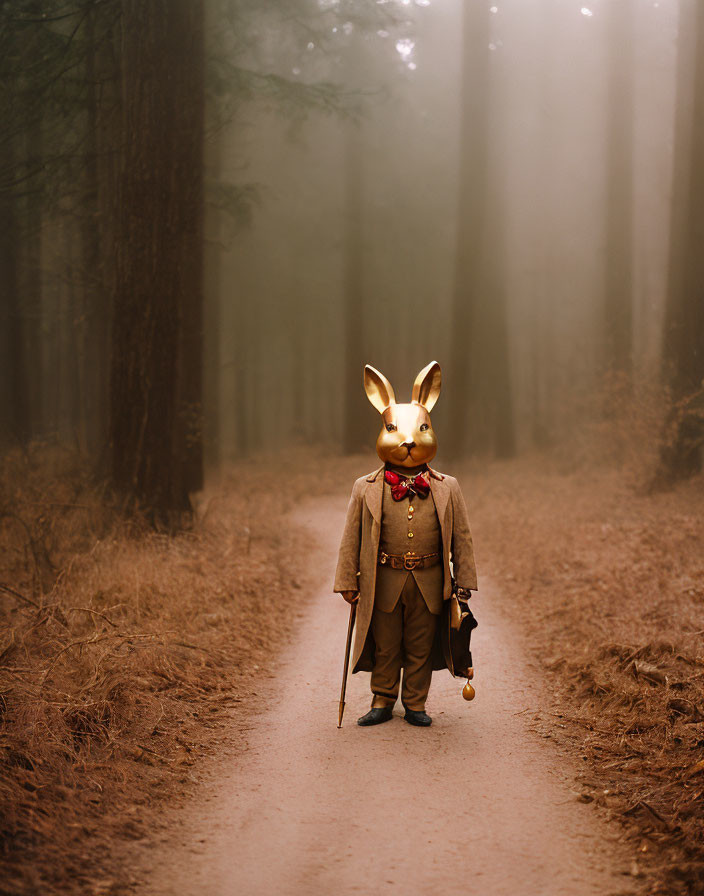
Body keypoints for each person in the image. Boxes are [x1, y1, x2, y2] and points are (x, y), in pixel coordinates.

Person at [334, 361, 478, 727]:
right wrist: (347, 580)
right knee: (386, 642)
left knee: (420, 642)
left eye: (421, 429)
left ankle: (416, 702)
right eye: (396, 431)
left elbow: (462, 536)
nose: (409, 441)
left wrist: (464, 581)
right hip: (383, 578)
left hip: (431, 580)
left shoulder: (448, 486)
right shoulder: (364, 487)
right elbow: (350, 536)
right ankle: (382, 699)